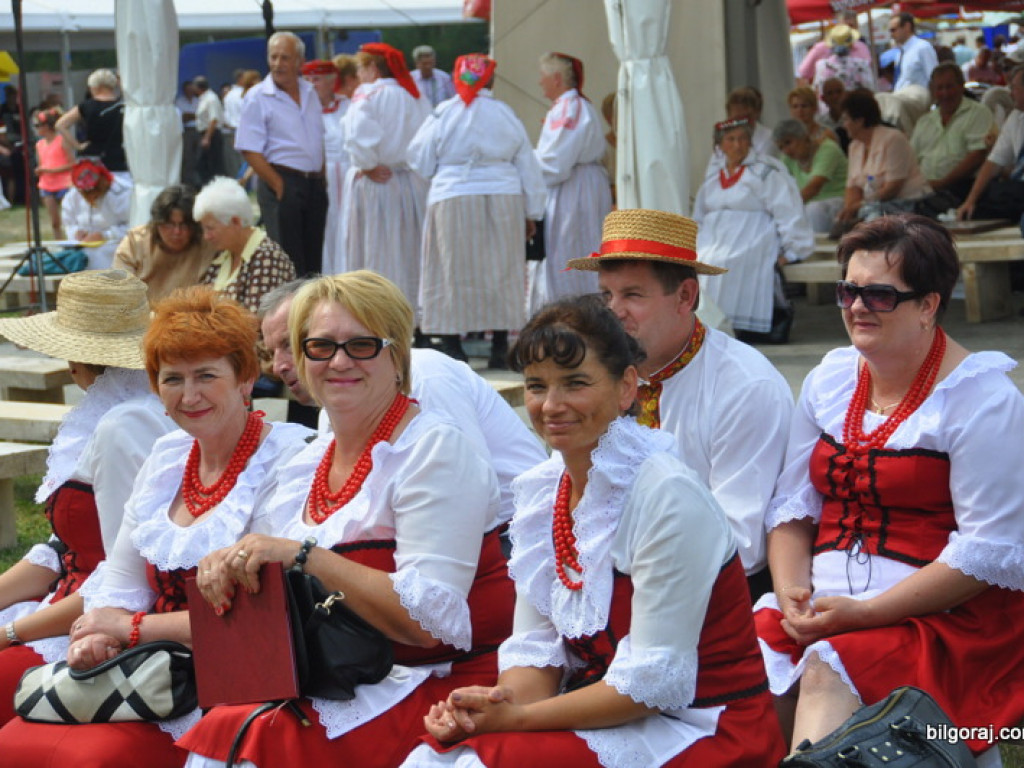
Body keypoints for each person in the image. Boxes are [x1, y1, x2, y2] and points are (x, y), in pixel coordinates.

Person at [402, 294, 785, 768]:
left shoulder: (666, 495)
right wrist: (496, 706)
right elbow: (535, 654)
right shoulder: (545, 493)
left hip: (705, 730)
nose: (552, 405)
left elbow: (651, 685)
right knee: (436, 758)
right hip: (613, 715)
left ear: (626, 388)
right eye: (537, 386)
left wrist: (515, 723)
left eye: (576, 383)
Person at [177, 270, 516, 768]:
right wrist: (229, 564)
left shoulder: (433, 450)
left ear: (397, 356)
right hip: (335, 677)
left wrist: (303, 556)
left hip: (440, 682)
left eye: (361, 345)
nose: (338, 361)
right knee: (223, 728)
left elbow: (431, 626)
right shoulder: (307, 463)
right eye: (319, 346)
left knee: (245, 741)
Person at [0, 286, 311, 767]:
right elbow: (121, 579)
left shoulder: (287, 458)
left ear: (246, 378)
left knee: (94, 759)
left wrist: (129, 629)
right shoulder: (168, 458)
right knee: (18, 743)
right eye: (172, 379)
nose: (189, 395)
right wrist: (101, 634)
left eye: (207, 375)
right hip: (148, 671)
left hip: (240, 680)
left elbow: (266, 618)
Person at [753, 215, 1024, 764]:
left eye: (878, 295)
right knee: (739, 663)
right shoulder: (830, 379)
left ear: (928, 305)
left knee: (829, 666)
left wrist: (865, 614)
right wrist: (789, 594)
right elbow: (792, 510)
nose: (856, 307)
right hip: (828, 604)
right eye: (848, 291)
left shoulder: (982, 398)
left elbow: (984, 555)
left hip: (938, 617)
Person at [568, 208, 793, 598]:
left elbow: (741, 546)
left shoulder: (745, 386)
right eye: (606, 294)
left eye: (632, 295)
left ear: (686, 296)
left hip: (715, 597)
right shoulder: (600, 373)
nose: (613, 311)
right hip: (611, 581)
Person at [0, 270, 174, 728]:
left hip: (93, 625)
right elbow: (65, 549)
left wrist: (10, 632)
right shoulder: (101, 413)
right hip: (65, 601)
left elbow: (125, 581)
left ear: (77, 358)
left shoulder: (129, 426)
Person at [258, 278, 547, 519]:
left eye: (290, 344)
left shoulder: (425, 374)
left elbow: (476, 502)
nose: (280, 365)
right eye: (272, 352)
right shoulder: (332, 414)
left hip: (516, 534)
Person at [408, 53, 546, 367]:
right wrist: (533, 212)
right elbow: (527, 163)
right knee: (502, 269)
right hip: (503, 197)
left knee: (451, 269)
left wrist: (445, 171)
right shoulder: (505, 113)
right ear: (491, 80)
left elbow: (418, 157)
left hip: (452, 197)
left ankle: (454, 344)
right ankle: (499, 344)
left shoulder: (443, 113)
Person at [693, 118, 813, 338]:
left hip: (752, 236)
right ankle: (705, 324)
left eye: (743, 139)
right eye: (731, 139)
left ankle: (733, 326)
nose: (738, 145)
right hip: (714, 238)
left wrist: (792, 249)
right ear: (720, 146)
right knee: (702, 260)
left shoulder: (765, 171)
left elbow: (786, 209)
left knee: (726, 261)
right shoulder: (712, 177)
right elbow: (699, 215)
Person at [341, 42, 431, 309]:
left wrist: (366, 164)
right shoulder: (415, 96)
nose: (358, 75)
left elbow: (357, 134)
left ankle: (375, 308)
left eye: (360, 68)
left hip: (377, 182)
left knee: (376, 247)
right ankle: (412, 311)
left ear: (372, 68)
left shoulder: (368, 94)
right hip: (409, 182)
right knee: (408, 250)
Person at [236, 31, 328, 277]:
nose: (278, 64)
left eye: (285, 58)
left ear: (299, 61)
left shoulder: (310, 92)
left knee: (314, 259)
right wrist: (278, 185)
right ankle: (289, 314)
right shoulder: (257, 97)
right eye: (273, 57)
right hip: (282, 181)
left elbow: (319, 137)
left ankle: (311, 313)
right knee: (288, 262)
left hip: (313, 184)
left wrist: (322, 174)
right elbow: (248, 148)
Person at [527, 52, 611, 316]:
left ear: (556, 78)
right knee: (578, 246)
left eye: (543, 77)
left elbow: (555, 161)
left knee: (571, 247)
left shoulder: (569, 107)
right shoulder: (575, 106)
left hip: (574, 187)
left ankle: (576, 313)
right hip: (578, 182)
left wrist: (522, 166)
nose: (540, 83)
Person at [193, 176, 296, 314]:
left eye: (210, 228)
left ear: (235, 222)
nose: (206, 236)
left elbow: (255, 321)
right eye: (203, 229)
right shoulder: (223, 256)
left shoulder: (267, 257)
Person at [835, 89, 931, 230]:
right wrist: (848, 210)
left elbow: (892, 188)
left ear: (860, 121)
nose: (843, 125)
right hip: (874, 205)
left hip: (909, 204)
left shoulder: (893, 138)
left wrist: (859, 205)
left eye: (846, 119)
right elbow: (852, 187)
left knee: (870, 217)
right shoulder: (854, 147)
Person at [909, 62, 995, 215]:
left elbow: (978, 155)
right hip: (925, 192)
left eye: (949, 86)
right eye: (939, 88)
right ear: (933, 91)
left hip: (963, 189)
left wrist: (942, 183)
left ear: (961, 86)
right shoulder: (925, 121)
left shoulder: (978, 113)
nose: (945, 93)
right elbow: (911, 159)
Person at [113, 185, 219, 304]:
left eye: (184, 225)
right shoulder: (135, 243)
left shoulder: (208, 246)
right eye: (169, 224)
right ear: (156, 223)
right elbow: (121, 291)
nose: (177, 232)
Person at [301, 57, 358, 277]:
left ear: (331, 80)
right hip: (320, 177)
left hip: (347, 172)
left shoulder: (347, 105)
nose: (311, 85)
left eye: (316, 80)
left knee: (348, 224)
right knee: (326, 226)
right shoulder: (302, 109)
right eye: (307, 79)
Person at [957, 64, 1024, 221]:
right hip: (1016, 191)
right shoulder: (1016, 118)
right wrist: (970, 201)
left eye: (1014, 88)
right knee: (974, 201)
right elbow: (994, 162)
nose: (1011, 93)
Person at [775, 119, 848, 234]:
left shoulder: (828, 149)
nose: (786, 151)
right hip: (807, 204)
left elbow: (814, 188)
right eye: (781, 147)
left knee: (814, 210)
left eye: (788, 142)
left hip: (839, 202)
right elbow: (777, 186)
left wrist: (786, 207)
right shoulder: (787, 159)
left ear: (804, 137)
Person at [61, 158, 133, 270]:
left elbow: (135, 227)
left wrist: (106, 235)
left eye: (94, 191)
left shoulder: (123, 193)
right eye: (85, 193)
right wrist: (75, 233)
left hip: (115, 250)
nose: (89, 196)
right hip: (83, 254)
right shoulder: (72, 196)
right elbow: (68, 223)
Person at [57, 69, 128, 178]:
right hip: (118, 158)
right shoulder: (123, 106)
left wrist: (78, 146)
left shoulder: (86, 106)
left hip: (92, 160)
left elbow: (60, 125)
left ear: (95, 87)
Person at [32, 106, 74, 239]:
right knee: (55, 222)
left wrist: (50, 170)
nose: (36, 128)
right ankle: (60, 245)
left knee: (69, 219)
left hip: (64, 183)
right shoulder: (39, 144)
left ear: (48, 126)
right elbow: (42, 163)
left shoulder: (62, 140)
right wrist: (40, 171)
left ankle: (71, 242)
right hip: (46, 184)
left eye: (38, 125)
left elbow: (72, 163)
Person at [797, 11, 872, 85]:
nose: (848, 30)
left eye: (851, 26)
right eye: (845, 27)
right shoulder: (820, 48)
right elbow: (804, 73)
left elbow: (804, 73)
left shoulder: (862, 47)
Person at [813, 25, 875, 93]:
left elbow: (818, 90)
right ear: (851, 44)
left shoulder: (822, 66)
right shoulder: (862, 65)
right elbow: (870, 89)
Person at [889, 12, 938, 92]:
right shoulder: (900, 53)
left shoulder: (923, 48)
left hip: (920, 102)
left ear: (907, 27)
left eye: (893, 30)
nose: (891, 35)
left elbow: (934, 78)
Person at [193, 76, 225, 185]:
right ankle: (206, 185)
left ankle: (214, 185)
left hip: (211, 134)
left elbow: (214, 119)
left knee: (212, 163)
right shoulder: (203, 98)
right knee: (202, 163)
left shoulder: (211, 99)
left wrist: (207, 137)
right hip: (203, 133)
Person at [220, 69, 245, 180]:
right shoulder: (244, 94)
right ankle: (244, 183)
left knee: (233, 162)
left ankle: (236, 182)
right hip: (242, 131)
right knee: (244, 161)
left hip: (231, 131)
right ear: (240, 78)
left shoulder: (228, 95)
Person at [177, 80, 201, 188]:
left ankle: (198, 182)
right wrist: (196, 115)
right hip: (186, 131)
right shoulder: (180, 101)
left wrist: (192, 115)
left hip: (199, 130)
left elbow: (203, 116)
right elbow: (183, 117)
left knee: (199, 157)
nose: (190, 91)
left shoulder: (198, 101)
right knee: (187, 157)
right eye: (188, 89)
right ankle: (187, 183)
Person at [818, 77, 850, 152]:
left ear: (846, 94)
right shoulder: (819, 123)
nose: (835, 96)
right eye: (830, 93)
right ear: (823, 99)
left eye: (839, 92)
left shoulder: (855, 121)